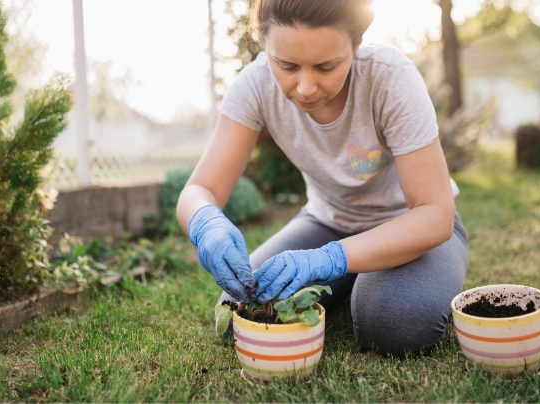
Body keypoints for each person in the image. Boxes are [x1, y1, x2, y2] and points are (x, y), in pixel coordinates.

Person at [177, 0, 468, 358]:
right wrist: (206, 223)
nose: (305, 88)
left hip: (410, 227)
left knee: (395, 322)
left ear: (357, 43)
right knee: (243, 308)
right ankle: (351, 281)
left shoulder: (390, 78)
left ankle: (370, 285)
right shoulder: (253, 86)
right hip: (329, 222)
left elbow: (434, 214)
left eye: (326, 66)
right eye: (285, 65)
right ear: (263, 44)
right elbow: (198, 190)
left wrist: (330, 260)